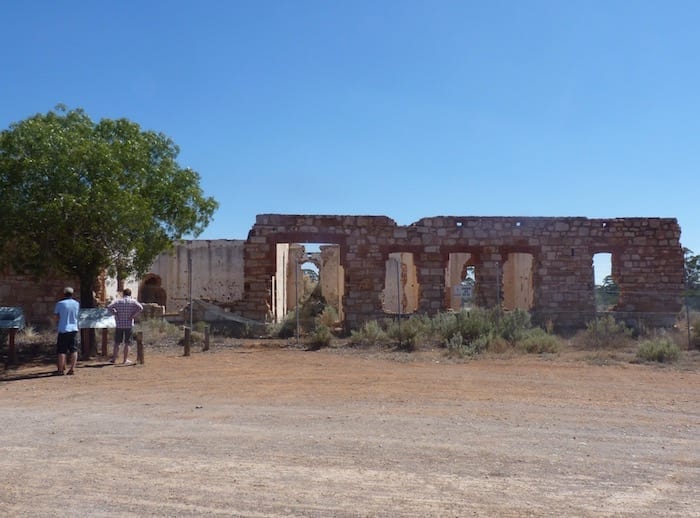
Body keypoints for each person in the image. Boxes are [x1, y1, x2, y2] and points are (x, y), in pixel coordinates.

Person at [107, 288, 143, 364]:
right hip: (128, 324)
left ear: (123, 293)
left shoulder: (118, 301)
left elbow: (109, 307)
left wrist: (115, 313)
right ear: (130, 294)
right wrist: (133, 315)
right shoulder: (132, 301)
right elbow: (140, 308)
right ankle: (125, 359)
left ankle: (114, 359)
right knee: (127, 343)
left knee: (117, 342)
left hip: (119, 324)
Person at [54, 287, 80, 375]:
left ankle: (60, 369)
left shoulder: (60, 304)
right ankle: (72, 368)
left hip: (63, 328)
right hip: (73, 328)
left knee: (61, 350)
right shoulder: (76, 304)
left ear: (64, 294)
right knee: (73, 349)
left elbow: (57, 317)